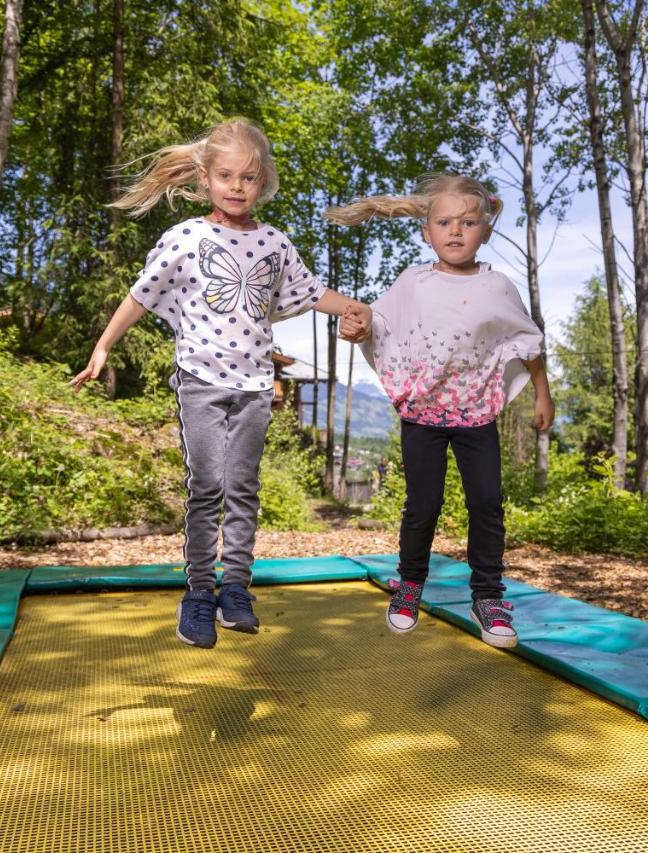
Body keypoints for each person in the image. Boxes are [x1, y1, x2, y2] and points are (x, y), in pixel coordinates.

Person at [72, 118, 370, 649]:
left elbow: (311, 292)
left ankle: (236, 589)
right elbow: (143, 293)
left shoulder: (275, 244)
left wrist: (355, 308)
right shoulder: (188, 237)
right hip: (200, 382)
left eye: (249, 177)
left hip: (255, 385)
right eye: (226, 175)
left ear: (264, 183)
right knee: (207, 485)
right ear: (205, 178)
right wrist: (103, 345)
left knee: (243, 488)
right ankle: (199, 594)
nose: (237, 186)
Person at [327, 174, 554, 648]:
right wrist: (357, 326)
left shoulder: (497, 286)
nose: (455, 231)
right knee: (423, 505)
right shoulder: (414, 281)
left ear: (485, 231)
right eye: (445, 222)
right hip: (424, 415)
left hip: (476, 415)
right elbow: (380, 323)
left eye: (468, 222)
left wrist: (541, 392)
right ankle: (409, 585)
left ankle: (488, 596)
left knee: (487, 503)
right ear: (426, 232)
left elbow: (526, 340)